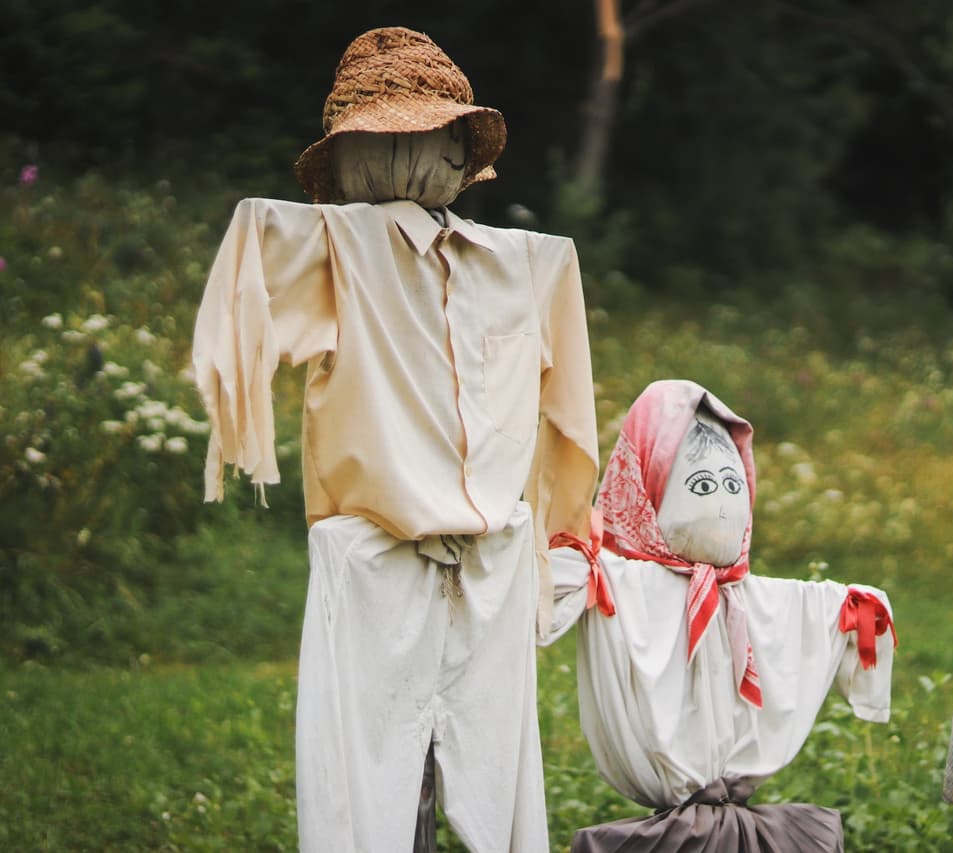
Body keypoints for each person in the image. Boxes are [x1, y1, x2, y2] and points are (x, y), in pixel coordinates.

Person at [190, 26, 598, 852]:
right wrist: (244, 429)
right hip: (375, 555)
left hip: (491, 560)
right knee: (360, 778)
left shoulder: (532, 265)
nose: (413, 156)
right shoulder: (335, 248)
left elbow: (570, 417)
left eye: (429, 136)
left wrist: (562, 530)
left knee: (500, 780)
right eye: (390, 139)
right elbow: (251, 249)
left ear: (456, 147)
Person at [543, 379, 895, 852]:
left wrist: (851, 608)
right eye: (703, 486)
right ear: (646, 487)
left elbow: (825, 608)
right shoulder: (618, 580)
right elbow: (546, 585)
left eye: (733, 486)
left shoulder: (745, 596)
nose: (724, 506)